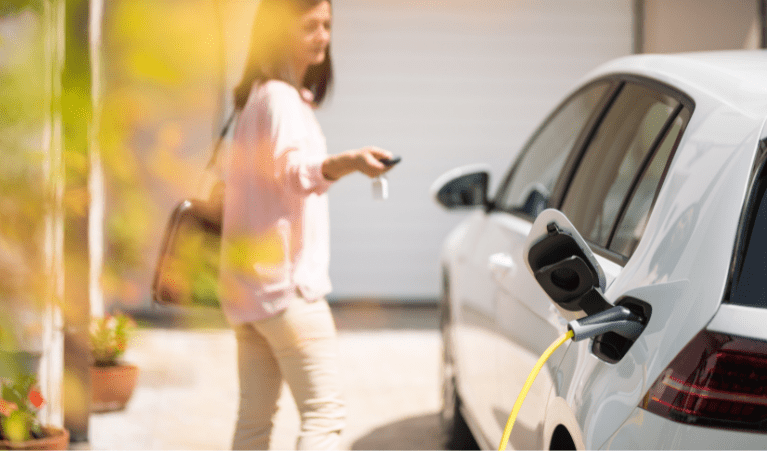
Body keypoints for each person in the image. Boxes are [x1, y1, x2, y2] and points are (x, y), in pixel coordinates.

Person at [218, 0, 395, 449]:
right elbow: (293, 173)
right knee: (324, 416)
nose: (323, 36)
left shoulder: (258, 96)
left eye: (327, 25)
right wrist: (350, 162)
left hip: (249, 290)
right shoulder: (278, 97)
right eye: (310, 26)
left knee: (253, 424)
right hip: (287, 290)